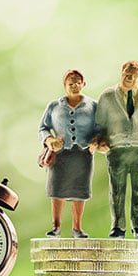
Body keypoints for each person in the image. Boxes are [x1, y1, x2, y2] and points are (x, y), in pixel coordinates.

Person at [95, 61, 138, 239]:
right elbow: (99, 123)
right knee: (117, 189)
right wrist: (100, 140)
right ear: (122, 72)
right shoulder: (108, 95)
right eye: (127, 74)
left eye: (134, 75)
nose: (130, 78)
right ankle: (118, 227)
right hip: (117, 148)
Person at [38, 70, 100, 238]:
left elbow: (100, 128)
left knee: (79, 190)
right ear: (65, 86)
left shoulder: (93, 106)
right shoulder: (54, 106)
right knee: (57, 189)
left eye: (78, 82)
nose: (75, 86)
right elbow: (43, 127)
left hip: (83, 154)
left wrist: (97, 140)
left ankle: (77, 228)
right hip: (60, 155)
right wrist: (49, 140)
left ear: (84, 83)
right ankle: (56, 226)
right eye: (70, 84)